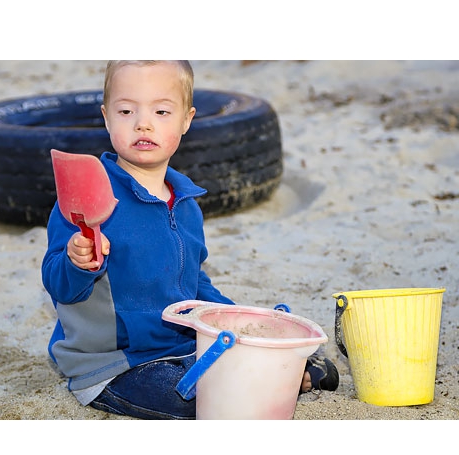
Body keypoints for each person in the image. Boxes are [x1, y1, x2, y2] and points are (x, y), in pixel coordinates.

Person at [42, 60, 339, 420]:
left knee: (235, 368)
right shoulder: (91, 198)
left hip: (182, 346)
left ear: (187, 120)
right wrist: (77, 262)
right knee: (208, 399)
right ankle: (288, 381)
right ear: (106, 118)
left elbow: (195, 284)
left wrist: (237, 321)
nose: (143, 123)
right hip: (117, 365)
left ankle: (286, 375)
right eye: (126, 110)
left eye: (162, 111)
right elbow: (59, 285)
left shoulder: (185, 205)